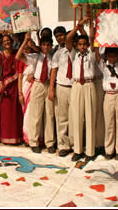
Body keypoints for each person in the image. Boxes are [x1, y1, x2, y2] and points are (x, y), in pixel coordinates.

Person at [16, 32, 55, 154]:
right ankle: (34, 141)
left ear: (51, 46)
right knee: (35, 114)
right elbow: (18, 57)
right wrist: (25, 40)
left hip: (48, 84)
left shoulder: (53, 57)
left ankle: (50, 143)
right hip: (37, 84)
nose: (46, 47)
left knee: (49, 115)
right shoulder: (36, 57)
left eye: (48, 45)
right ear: (41, 45)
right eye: (43, 45)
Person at [67, 17, 97, 161]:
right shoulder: (74, 55)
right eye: (80, 44)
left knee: (90, 117)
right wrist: (78, 25)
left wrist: (88, 24)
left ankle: (90, 151)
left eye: (85, 44)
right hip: (77, 85)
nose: (82, 47)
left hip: (89, 85)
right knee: (77, 117)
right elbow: (68, 39)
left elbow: (91, 37)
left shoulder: (91, 54)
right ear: (77, 45)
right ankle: (78, 150)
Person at [49, 27, 74, 157]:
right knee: (62, 117)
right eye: (57, 36)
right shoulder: (57, 53)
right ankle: (63, 145)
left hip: (74, 86)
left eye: (62, 35)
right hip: (62, 86)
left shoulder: (75, 50)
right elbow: (54, 71)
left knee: (75, 117)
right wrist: (51, 89)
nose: (60, 38)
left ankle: (75, 144)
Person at [0, 35, 23, 144]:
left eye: (8, 40)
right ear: (2, 44)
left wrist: (8, 81)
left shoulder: (16, 53)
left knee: (15, 113)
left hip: (14, 87)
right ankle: (5, 137)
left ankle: (17, 137)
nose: (7, 42)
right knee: (5, 114)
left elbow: (18, 71)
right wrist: (0, 84)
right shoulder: (1, 55)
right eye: (5, 41)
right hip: (4, 89)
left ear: (12, 41)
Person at [18, 43, 37, 145]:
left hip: (35, 88)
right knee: (27, 114)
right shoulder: (22, 61)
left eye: (28, 49)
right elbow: (20, 78)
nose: (27, 51)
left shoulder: (35, 60)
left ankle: (35, 137)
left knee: (33, 113)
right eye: (25, 50)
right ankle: (27, 137)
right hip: (26, 88)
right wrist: (20, 93)